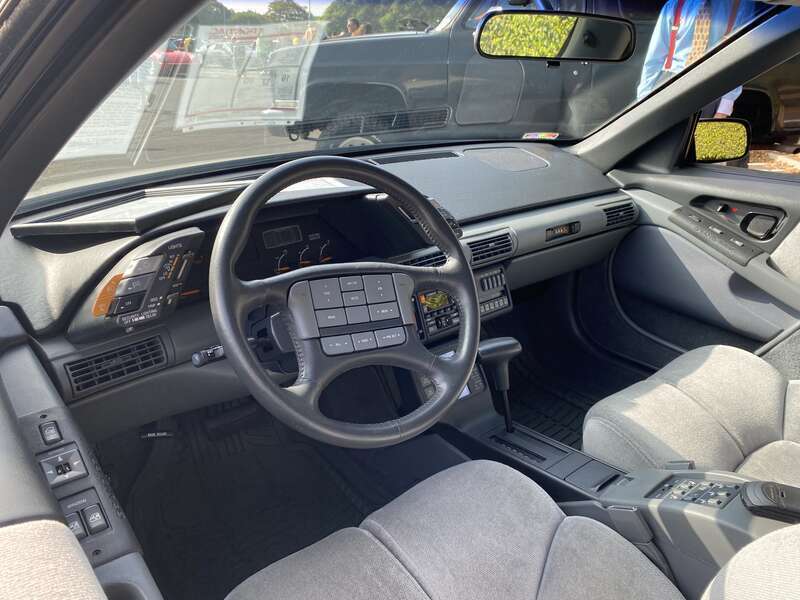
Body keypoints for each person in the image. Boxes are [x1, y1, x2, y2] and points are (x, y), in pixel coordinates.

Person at [637, 0, 758, 117]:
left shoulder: (741, 4)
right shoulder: (674, 5)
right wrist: (643, 102)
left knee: (700, 135)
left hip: (712, 86)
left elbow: (738, 59)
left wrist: (724, 109)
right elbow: (654, 58)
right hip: (671, 82)